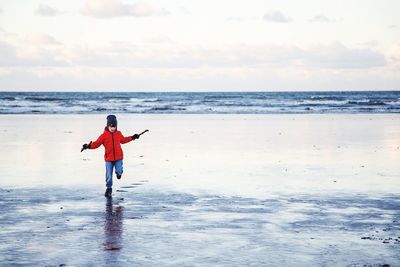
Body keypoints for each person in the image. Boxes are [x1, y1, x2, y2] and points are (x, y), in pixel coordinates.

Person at [81, 115, 140, 198]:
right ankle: (109, 188)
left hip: (118, 158)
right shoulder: (103, 136)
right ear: (108, 126)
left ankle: (119, 173)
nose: (112, 128)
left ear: (116, 126)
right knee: (109, 175)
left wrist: (133, 137)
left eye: (114, 126)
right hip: (109, 159)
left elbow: (123, 140)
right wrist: (88, 146)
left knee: (119, 171)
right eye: (111, 126)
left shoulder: (118, 133)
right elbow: (96, 144)